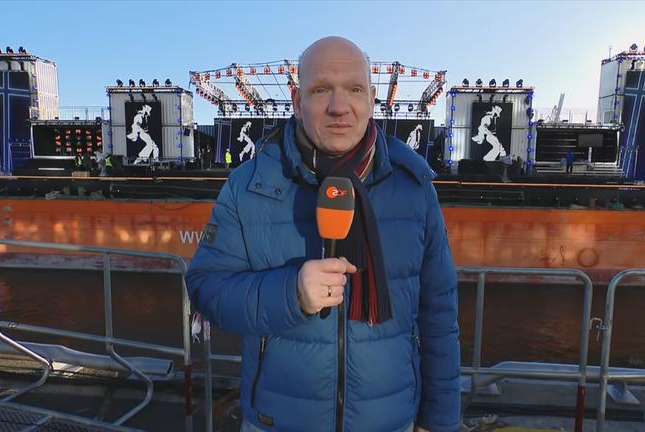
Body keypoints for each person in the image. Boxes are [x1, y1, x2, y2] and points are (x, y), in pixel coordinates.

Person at [186, 36, 460, 432]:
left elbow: (439, 315)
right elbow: (206, 288)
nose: (338, 107)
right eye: (320, 90)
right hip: (276, 422)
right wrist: (290, 292)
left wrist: (439, 421)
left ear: (371, 100)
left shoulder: (414, 189)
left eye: (354, 89)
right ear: (297, 102)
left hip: (392, 421)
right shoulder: (248, 186)